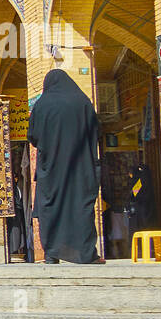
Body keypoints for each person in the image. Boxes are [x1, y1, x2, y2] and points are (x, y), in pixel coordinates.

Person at [28, 69, 102, 264]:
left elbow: (33, 136)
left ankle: (51, 254)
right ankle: (86, 254)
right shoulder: (83, 102)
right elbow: (95, 131)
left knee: (50, 208)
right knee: (81, 207)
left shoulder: (42, 105)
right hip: (81, 167)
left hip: (51, 169)